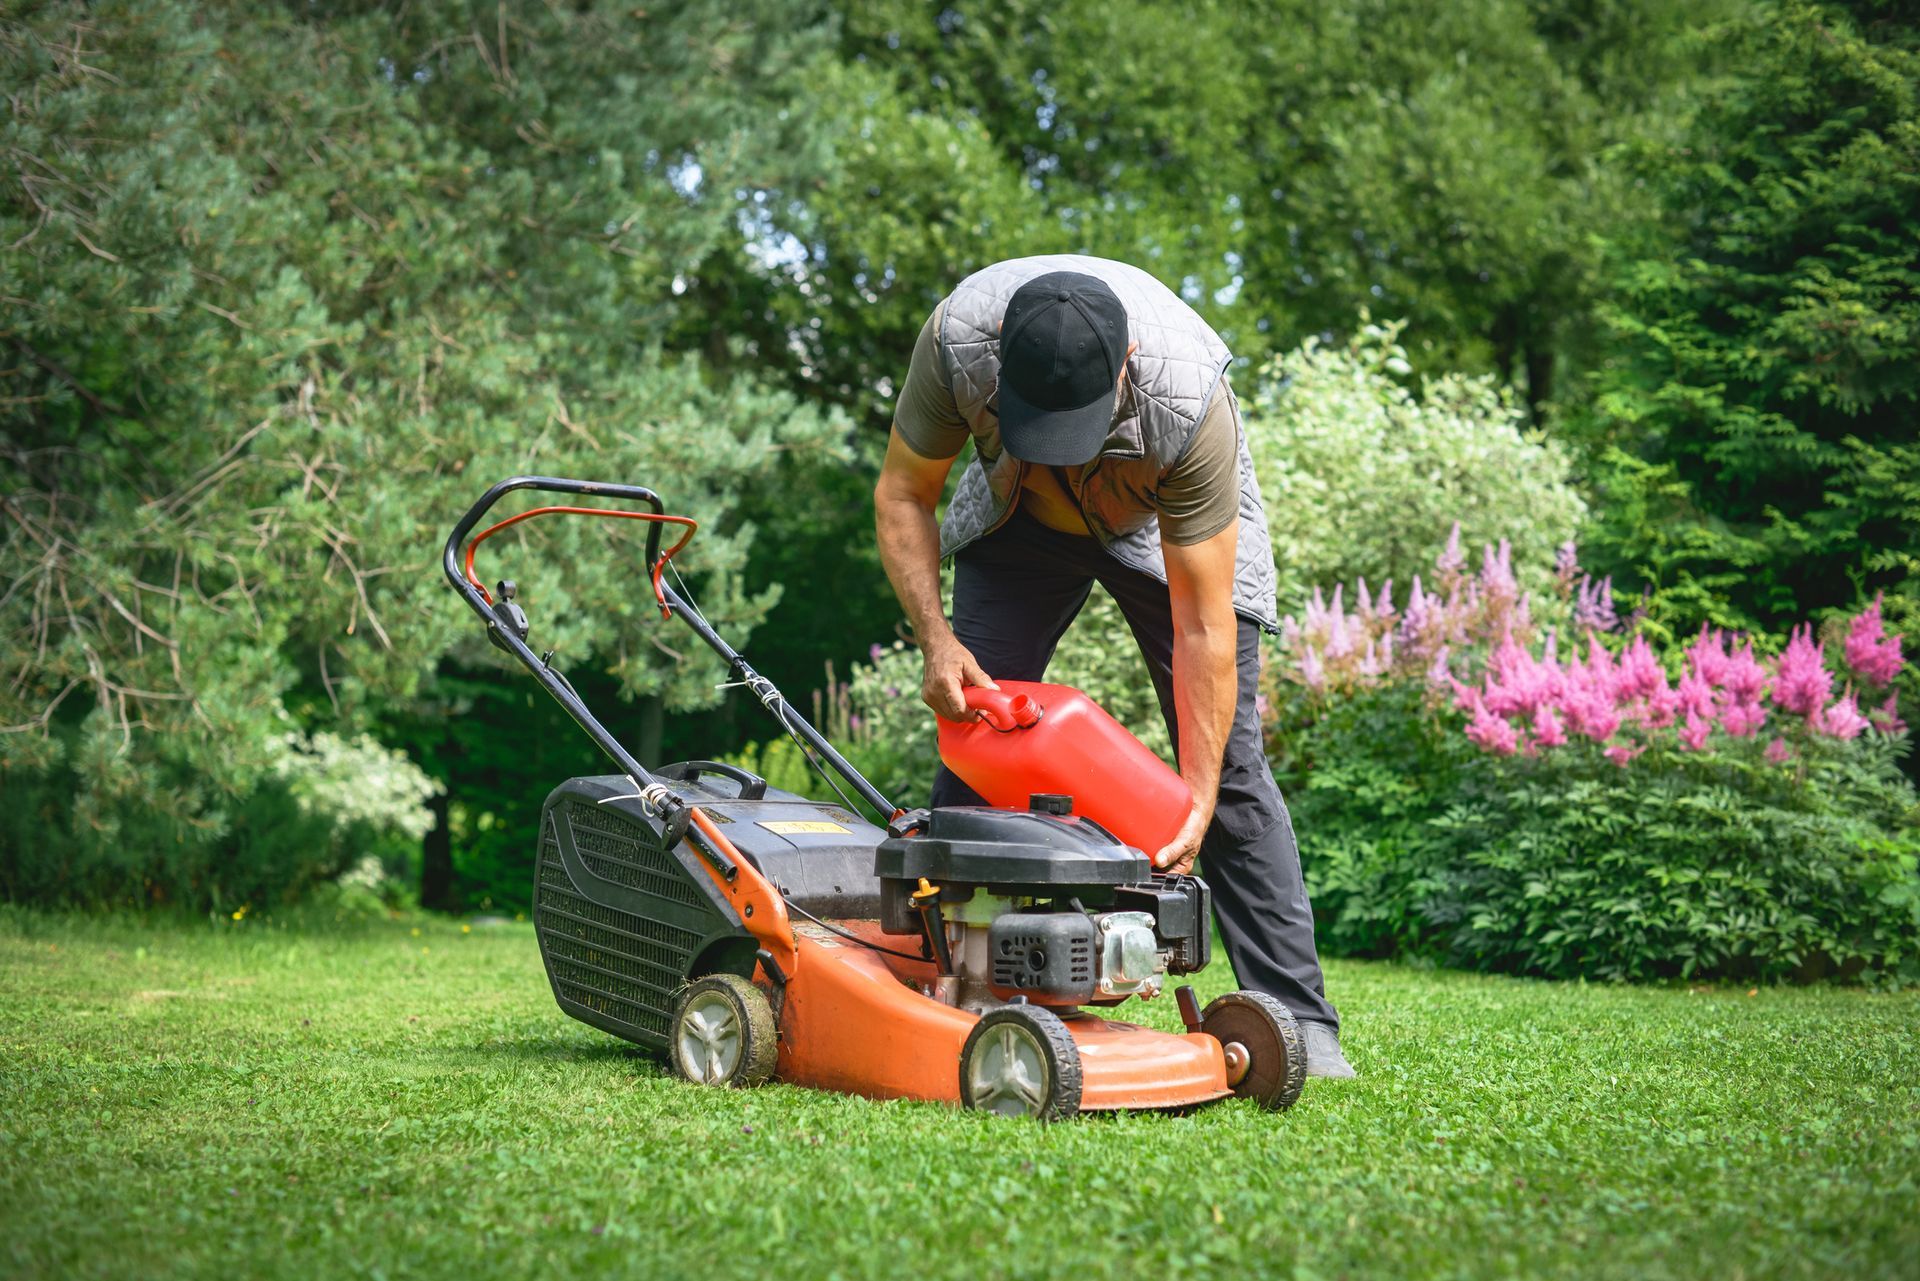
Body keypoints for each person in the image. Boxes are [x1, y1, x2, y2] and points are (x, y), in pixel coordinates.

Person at [871, 254, 1354, 1078]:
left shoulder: (1188, 401)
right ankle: (939, 986)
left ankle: (1302, 1023)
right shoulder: (956, 341)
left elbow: (1203, 626)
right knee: (976, 733)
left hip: (1161, 529)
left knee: (1229, 771)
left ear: (1124, 363)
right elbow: (902, 492)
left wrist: (1195, 795)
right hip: (1020, 518)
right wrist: (936, 639)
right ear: (999, 356)